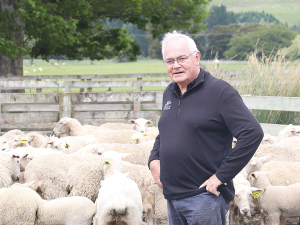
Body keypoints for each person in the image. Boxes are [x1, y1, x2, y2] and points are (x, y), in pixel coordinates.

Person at [148, 30, 264, 225]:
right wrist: (153, 159)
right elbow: (166, 130)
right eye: (169, 61)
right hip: (173, 196)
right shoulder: (170, 92)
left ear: (197, 57)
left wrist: (221, 176)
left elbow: (252, 133)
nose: (176, 65)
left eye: (182, 58)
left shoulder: (220, 92)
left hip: (205, 197)